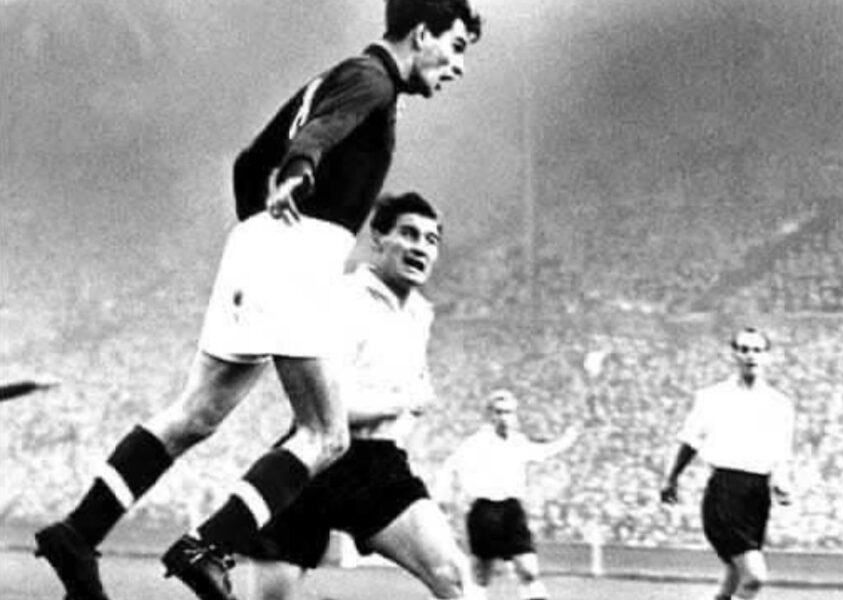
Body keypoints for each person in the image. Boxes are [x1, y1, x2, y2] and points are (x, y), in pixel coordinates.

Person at [34, 3, 483, 599]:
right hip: (301, 253)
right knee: (327, 436)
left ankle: (77, 533)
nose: (457, 65)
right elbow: (318, 134)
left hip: (255, 246)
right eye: (456, 46)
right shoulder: (372, 78)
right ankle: (208, 547)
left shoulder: (342, 77)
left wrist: (262, 229)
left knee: (195, 414)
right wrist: (298, 171)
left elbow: (249, 162)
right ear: (422, 33)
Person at [240, 191, 483, 600]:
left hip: (376, 466)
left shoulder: (420, 313)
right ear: (379, 239)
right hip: (313, 457)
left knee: (455, 576)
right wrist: (404, 401)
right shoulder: (343, 298)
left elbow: (408, 387)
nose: (420, 247)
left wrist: (411, 397)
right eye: (408, 234)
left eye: (431, 240)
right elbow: (327, 408)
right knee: (270, 599)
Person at [660, 327, 795, 600]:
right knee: (754, 577)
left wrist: (781, 481)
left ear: (767, 356)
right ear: (733, 354)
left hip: (757, 495)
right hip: (725, 491)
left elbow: (781, 451)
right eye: (744, 349)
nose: (750, 356)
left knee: (733, 579)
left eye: (757, 350)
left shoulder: (780, 404)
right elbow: (690, 441)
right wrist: (671, 478)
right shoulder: (713, 397)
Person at [434, 389, 581, 600]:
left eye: (508, 412)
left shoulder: (518, 441)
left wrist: (569, 437)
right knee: (481, 575)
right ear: (489, 415)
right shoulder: (476, 443)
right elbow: (450, 467)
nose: (504, 417)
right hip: (485, 510)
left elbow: (543, 452)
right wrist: (442, 499)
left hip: (512, 510)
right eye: (499, 412)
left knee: (529, 570)